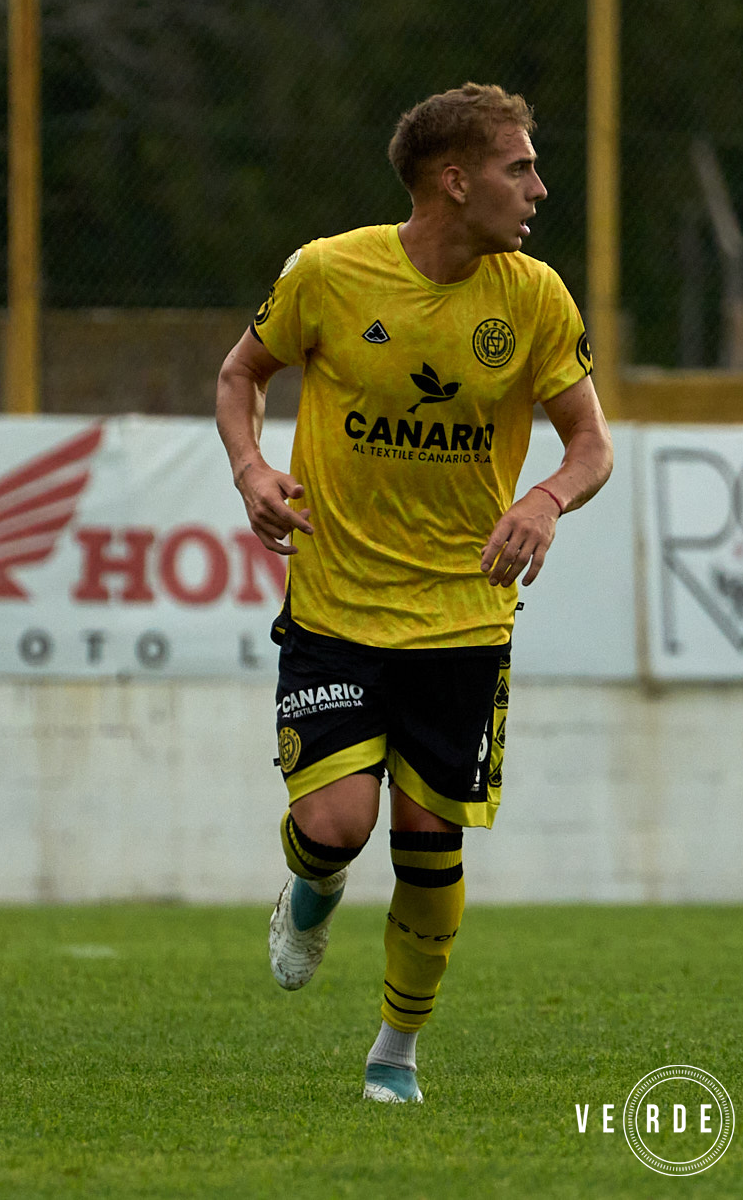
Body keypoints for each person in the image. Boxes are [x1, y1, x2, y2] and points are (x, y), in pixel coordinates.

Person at [215, 83, 613, 1105]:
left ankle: (395, 1050)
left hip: (464, 617)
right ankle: (312, 885)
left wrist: (546, 499)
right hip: (337, 607)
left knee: (429, 841)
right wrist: (252, 471)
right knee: (339, 822)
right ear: (455, 179)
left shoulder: (532, 296)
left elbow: (591, 443)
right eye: (518, 166)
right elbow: (239, 374)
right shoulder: (328, 272)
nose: (537, 185)